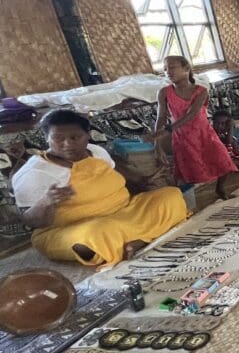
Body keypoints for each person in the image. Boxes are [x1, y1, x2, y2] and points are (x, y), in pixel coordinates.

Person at [12, 110, 187, 266]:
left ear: (87, 135)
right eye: (58, 138)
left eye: (75, 137)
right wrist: (47, 202)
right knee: (97, 234)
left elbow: (115, 172)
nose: (67, 144)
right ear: (47, 138)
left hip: (124, 211)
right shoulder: (35, 171)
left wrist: (144, 181)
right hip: (74, 228)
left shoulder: (96, 151)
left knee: (170, 196)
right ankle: (143, 237)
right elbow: (31, 222)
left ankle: (137, 241)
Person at [149, 56, 236, 188]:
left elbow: (191, 114)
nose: (168, 72)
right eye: (165, 69)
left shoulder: (201, 91)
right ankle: (186, 200)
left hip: (204, 134)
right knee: (185, 172)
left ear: (186, 69)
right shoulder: (164, 93)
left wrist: (168, 130)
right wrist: (157, 144)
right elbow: (160, 117)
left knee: (224, 161)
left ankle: (220, 188)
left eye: (172, 67)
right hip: (183, 138)